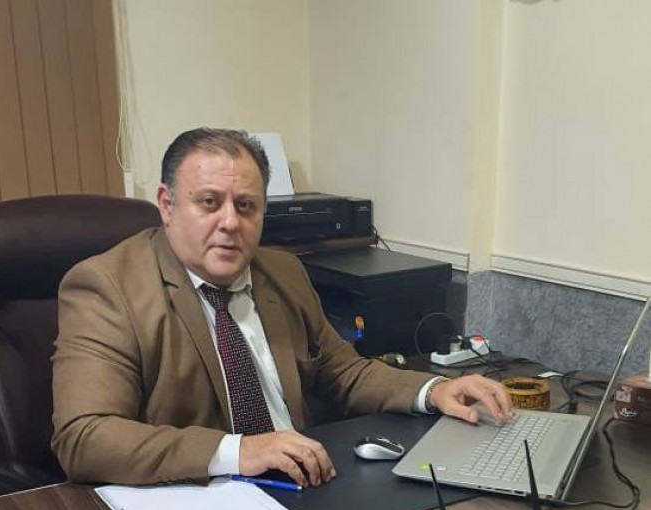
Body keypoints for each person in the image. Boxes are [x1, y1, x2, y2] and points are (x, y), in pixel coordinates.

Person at [51, 127, 513, 488]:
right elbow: (84, 436)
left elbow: (343, 372)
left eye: (246, 206)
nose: (230, 222)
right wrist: (240, 451)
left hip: (306, 484)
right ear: (167, 205)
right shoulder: (108, 287)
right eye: (209, 203)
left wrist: (433, 391)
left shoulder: (282, 272)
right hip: (200, 499)